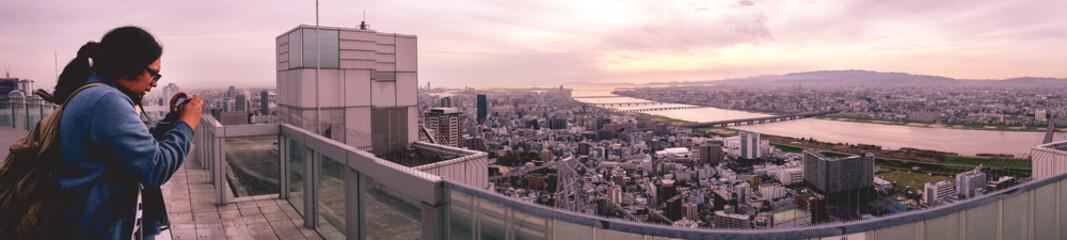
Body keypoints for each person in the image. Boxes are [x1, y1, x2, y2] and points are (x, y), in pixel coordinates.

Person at [48, 26, 203, 239]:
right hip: (97, 230)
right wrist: (186, 124)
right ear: (130, 67)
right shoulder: (107, 101)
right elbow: (156, 168)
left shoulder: (94, 91)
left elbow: (132, 147)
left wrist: (170, 123)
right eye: (153, 74)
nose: (153, 84)